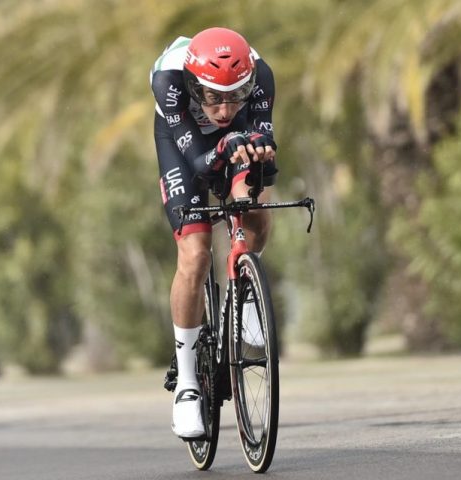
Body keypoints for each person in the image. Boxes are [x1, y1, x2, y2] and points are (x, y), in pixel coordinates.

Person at [150, 27, 278, 438]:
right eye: (213, 97)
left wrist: (260, 151)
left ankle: (243, 303)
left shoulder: (262, 77)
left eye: (236, 95)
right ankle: (187, 384)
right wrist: (226, 145)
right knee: (196, 253)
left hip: (230, 142)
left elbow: (262, 142)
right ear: (193, 85)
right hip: (182, 142)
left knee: (253, 207)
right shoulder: (168, 83)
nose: (224, 109)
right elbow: (202, 164)